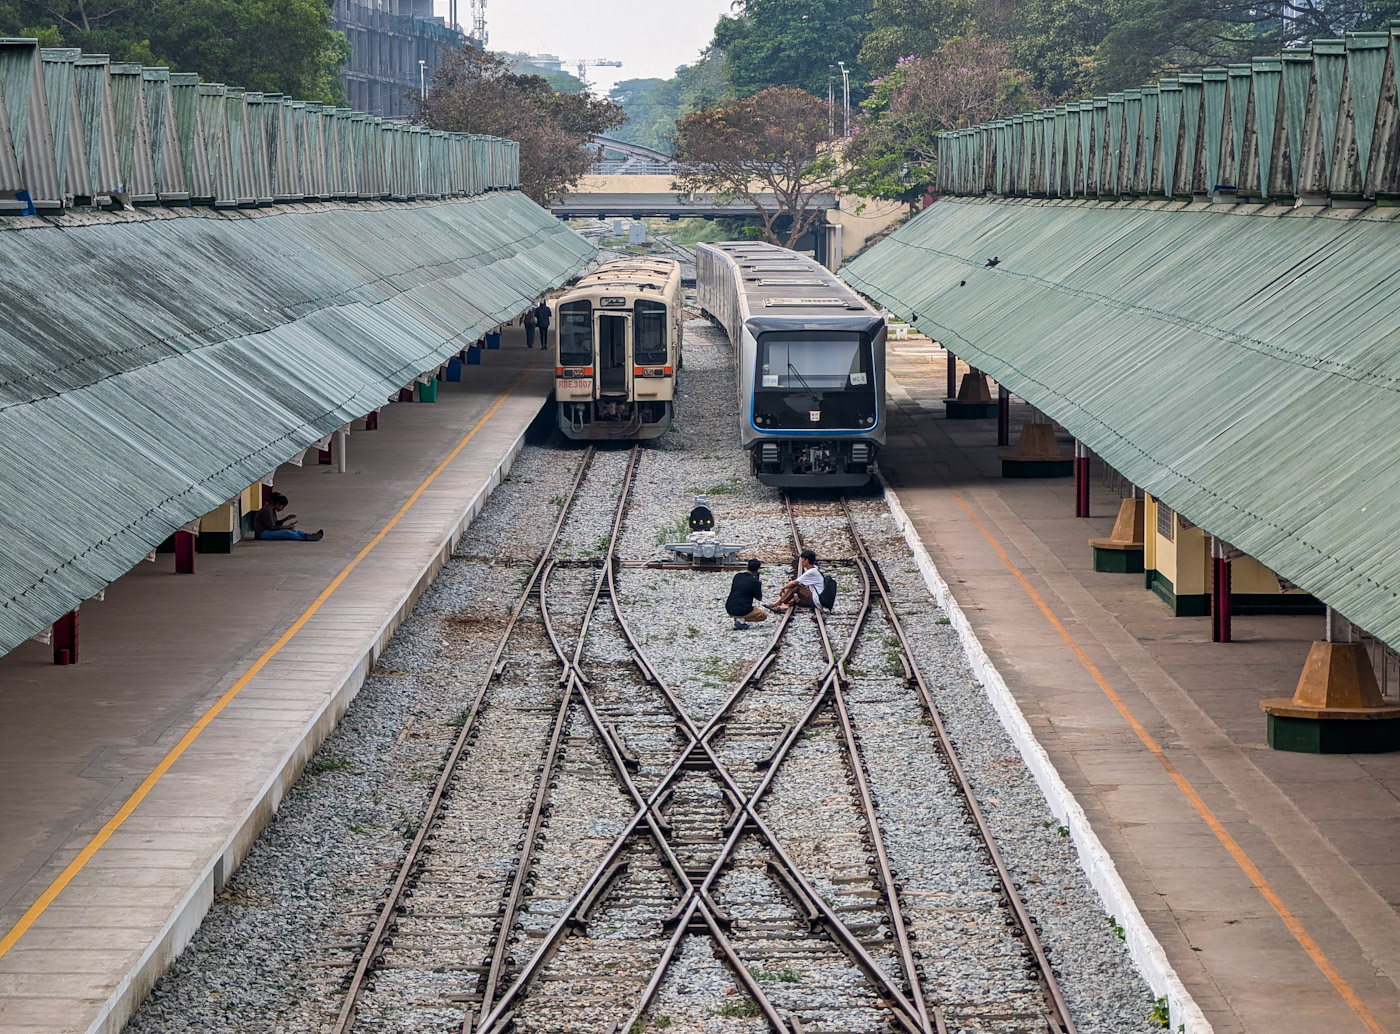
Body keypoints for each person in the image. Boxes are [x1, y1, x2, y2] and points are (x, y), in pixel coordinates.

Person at [253, 493, 323, 541]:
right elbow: (272, 527)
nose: (282, 509)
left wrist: (285, 519)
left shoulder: (272, 510)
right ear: (277, 504)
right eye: (282, 507)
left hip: (268, 531)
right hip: (262, 534)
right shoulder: (267, 511)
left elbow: (275, 523)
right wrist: (285, 527)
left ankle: (308, 535)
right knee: (287, 533)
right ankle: (305, 538)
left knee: (293, 530)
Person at [725, 558, 767, 630]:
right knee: (763, 615)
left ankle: (738, 618)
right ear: (757, 569)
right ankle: (741, 619)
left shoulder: (737, 576)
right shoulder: (755, 582)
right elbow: (759, 598)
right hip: (743, 610)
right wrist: (759, 584)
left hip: (729, 608)